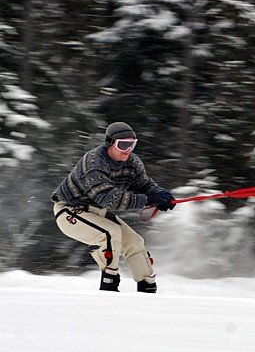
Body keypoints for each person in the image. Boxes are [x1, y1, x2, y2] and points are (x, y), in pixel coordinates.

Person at [51, 122, 176, 292]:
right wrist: (147, 200)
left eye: (132, 145)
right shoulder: (94, 162)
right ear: (110, 143)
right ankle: (109, 286)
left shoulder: (132, 162)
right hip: (70, 210)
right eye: (123, 145)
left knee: (135, 242)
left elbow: (145, 185)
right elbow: (108, 199)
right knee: (111, 233)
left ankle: (147, 288)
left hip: (98, 213)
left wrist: (162, 195)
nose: (127, 150)